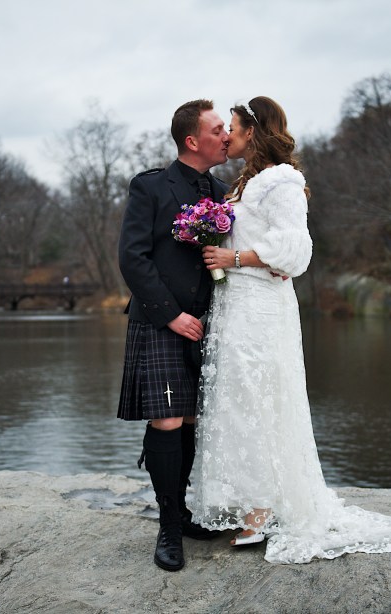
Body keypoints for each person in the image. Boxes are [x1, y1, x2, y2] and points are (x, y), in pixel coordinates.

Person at [193, 96, 391, 563]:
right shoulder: (246, 183)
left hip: (262, 307)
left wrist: (234, 258)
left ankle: (261, 512)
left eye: (236, 128)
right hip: (236, 306)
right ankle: (253, 501)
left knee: (263, 399)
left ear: (255, 133)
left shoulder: (281, 182)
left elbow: (296, 253)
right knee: (239, 400)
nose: (228, 136)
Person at [117, 99, 230, 571]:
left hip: (211, 322)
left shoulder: (225, 191)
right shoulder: (150, 187)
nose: (227, 135)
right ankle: (168, 526)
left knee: (190, 421)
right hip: (162, 321)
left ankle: (181, 512)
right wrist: (170, 315)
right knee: (166, 419)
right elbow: (133, 258)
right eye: (218, 129)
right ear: (192, 140)